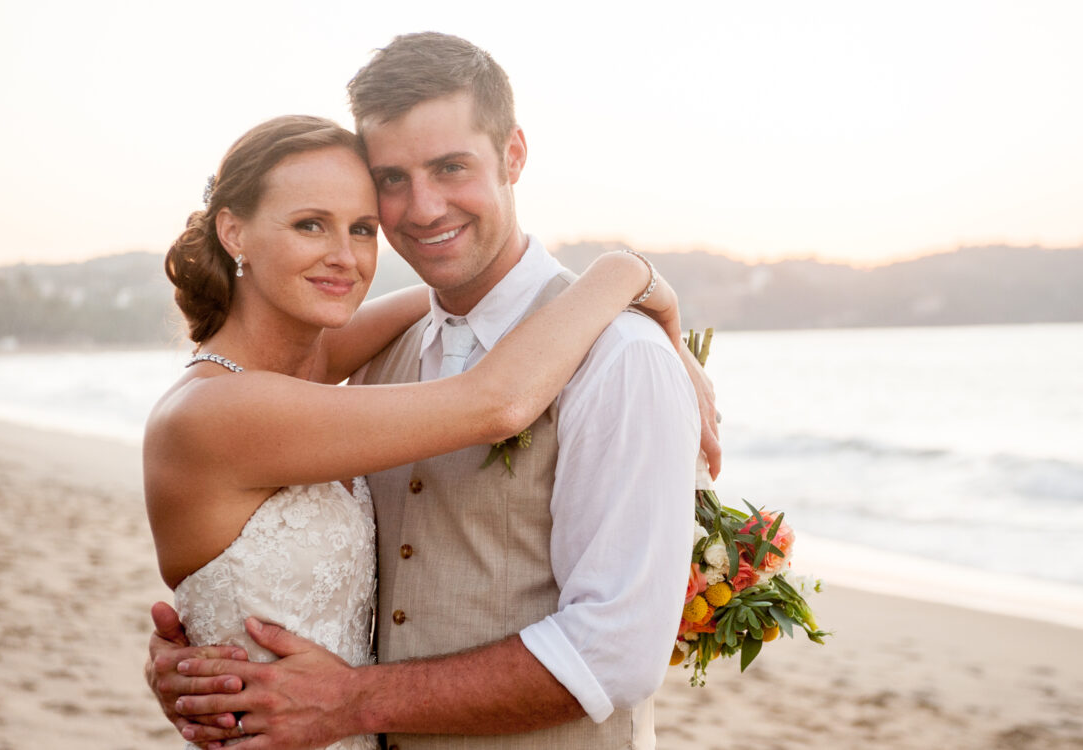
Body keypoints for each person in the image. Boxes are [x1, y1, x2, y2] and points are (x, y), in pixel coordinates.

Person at [147, 33, 719, 750]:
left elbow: (618, 652)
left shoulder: (620, 357)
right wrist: (628, 271)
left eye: (451, 167)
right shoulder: (344, 367)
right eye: (390, 179)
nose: (421, 209)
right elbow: (495, 396)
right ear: (235, 231)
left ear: (513, 155)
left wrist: (639, 296)